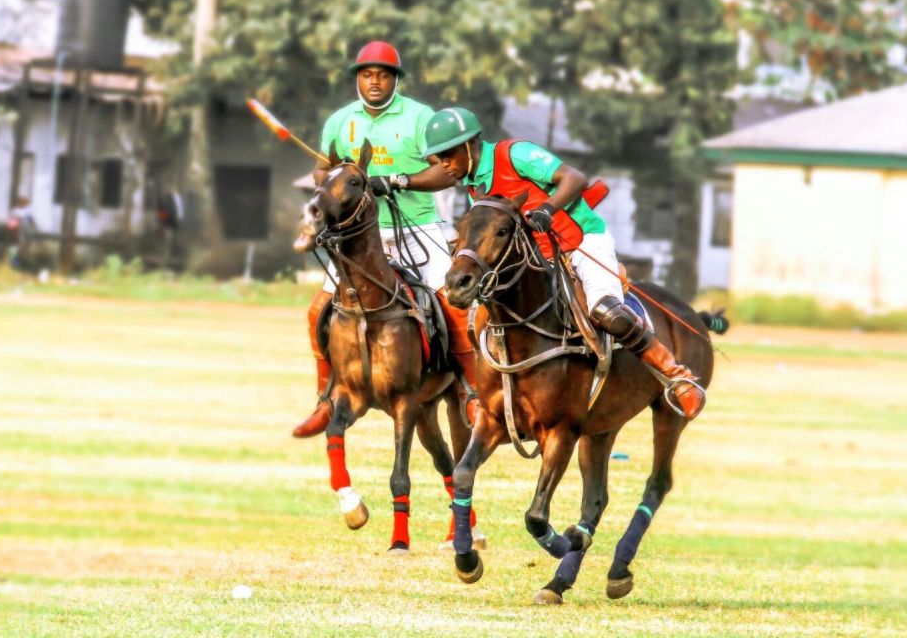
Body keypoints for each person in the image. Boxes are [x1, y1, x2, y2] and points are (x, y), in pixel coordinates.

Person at [415, 106, 705, 419]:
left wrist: (549, 209)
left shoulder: (514, 154)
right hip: (537, 261)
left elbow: (574, 178)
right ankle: (489, 396)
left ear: (470, 145)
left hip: (580, 241)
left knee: (605, 310)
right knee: (480, 319)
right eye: (438, 158)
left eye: (447, 155)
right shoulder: (475, 186)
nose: (443, 165)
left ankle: (676, 376)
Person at [292, 42, 483, 438]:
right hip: (359, 238)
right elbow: (320, 172)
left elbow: (447, 171)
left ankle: (469, 389)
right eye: (366, 74)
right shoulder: (339, 122)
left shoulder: (420, 117)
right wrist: (344, 182)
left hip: (416, 227)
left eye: (383, 74)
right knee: (318, 310)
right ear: (358, 78)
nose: (374, 81)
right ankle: (325, 400)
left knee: (452, 306)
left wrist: (397, 180)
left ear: (395, 79)